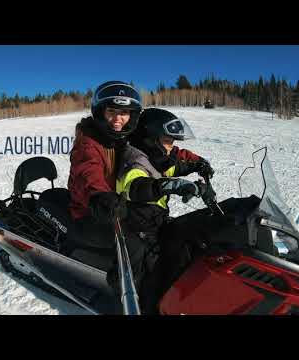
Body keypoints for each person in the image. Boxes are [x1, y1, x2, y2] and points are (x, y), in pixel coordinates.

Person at [115, 107, 216, 313]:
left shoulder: (153, 158)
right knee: (145, 284)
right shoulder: (133, 160)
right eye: (168, 141)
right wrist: (171, 186)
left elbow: (172, 167)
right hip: (133, 229)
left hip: (153, 222)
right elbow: (135, 187)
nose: (171, 147)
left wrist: (198, 166)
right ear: (150, 139)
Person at [66, 80, 142, 253]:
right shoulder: (88, 143)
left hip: (115, 206)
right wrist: (99, 196)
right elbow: (87, 172)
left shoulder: (120, 139)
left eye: (124, 112)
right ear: (100, 112)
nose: (118, 119)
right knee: (133, 247)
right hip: (89, 211)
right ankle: (117, 280)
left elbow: (157, 145)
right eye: (111, 111)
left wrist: (186, 161)